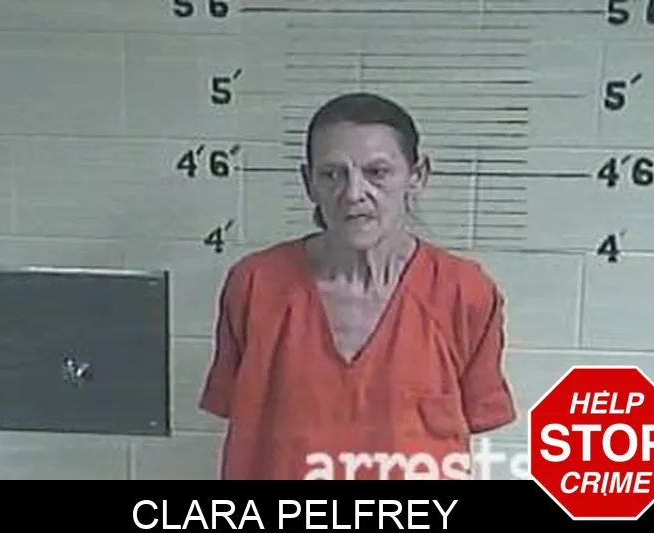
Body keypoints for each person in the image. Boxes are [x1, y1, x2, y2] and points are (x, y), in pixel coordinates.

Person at [199, 92, 516, 480]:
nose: (353, 193)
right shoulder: (255, 285)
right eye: (332, 174)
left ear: (417, 176)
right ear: (308, 183)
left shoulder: (464, 293)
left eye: (377, 172)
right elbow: (236, 408)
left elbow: (478, 415)